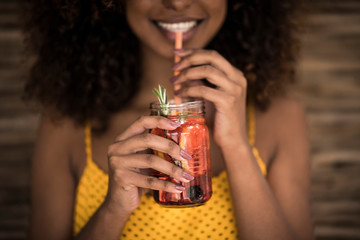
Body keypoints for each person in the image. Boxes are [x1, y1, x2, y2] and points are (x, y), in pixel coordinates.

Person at [25, 0, 314, 239]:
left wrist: (237, 146)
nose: (177, 2)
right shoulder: (66, 124)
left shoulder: (282, 118)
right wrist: (112, 210)